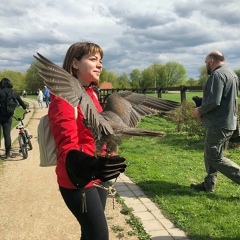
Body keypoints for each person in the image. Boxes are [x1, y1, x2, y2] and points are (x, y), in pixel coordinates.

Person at [48, 42, 126, 240]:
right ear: (75, 63)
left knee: (90, 234)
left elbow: (98, 134)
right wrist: (87, 165)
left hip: (99, 173)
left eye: (101, 61)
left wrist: (109, 151)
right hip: (78, 179)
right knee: (99, 236)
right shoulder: (64, 99)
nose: (99, 65)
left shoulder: (92, 94)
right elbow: (67, 147)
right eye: (93, 59)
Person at [191, 50, 240, 192]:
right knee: (211, 154)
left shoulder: (217, 75)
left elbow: (214, 101)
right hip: (227, 122)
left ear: (211, 61)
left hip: (218, 124)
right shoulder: (231, 74)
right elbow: (225, 99)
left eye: (206, 63)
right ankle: (208, 185)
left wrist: (199, 110)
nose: (206, 65)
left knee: (215, 157)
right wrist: (203, 101)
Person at [0, 78, 29, 159]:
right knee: (7, 135)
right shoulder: (13, 93)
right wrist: (25, 109)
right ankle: (8, 155)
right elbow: (21, 101)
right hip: (8, 117)